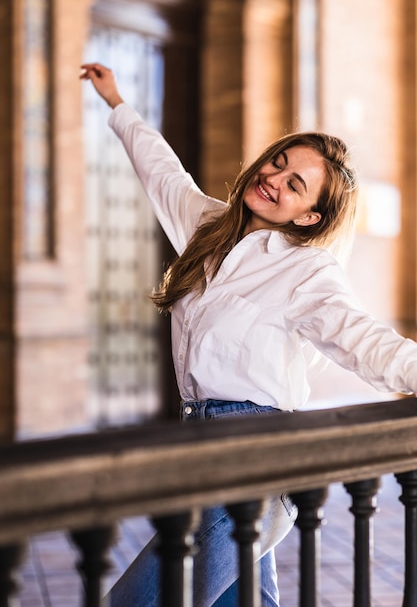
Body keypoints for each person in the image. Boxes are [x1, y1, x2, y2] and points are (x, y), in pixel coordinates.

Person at [80, 63, 417, 607]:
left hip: (253, 464)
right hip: (199, 446)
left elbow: (366, 343)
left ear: (309, 218)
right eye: (276, 162)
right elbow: (161, 170)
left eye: (294, 185)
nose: (272, 178)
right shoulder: (205, 226)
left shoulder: (307, 271)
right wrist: (118, 103)